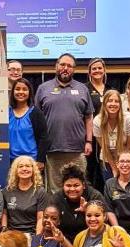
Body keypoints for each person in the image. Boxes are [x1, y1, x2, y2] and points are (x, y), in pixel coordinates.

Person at [35, 53, 94, 193]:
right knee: (55, 191)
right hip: (51, 150)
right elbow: (36, 119)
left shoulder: (82, 89)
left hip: (77, 150)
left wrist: (89, 141)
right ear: (56, 66)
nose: (65, 68)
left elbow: (89, 117)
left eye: (69, 66)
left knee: (77, 188)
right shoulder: (43, 88)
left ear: (73, 69)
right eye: (62, 65)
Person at [49, 163, 117, 243]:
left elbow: (104, 222)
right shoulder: (56, 199)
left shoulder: (94, 196)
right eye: (68, 186)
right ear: (63, 186)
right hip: (63, 241)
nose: (72, 189)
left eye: (76, 185)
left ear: (83, 185)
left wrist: (87, 211)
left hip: (91, 240)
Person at [93, 89, 130, 179]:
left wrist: (122, 166)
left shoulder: (129, 119)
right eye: (110, 101)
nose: (113, 104)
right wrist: (114, 168)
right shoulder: (97, 121)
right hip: (108, 159)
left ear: (120, 105)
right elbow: (104, 148)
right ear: (104, 103)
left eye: (116, 101)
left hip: (127, 158)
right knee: (112, 187)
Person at [1, 156, 48, 234]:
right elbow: (4, 214)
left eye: (28, 166)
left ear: (33, 170)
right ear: (15, 170)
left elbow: (41, 218)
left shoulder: (40, 192)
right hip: (12, 235)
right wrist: (4, 230)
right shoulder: (7, 191)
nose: (24, 169)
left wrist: (36, 239)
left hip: (32, 234)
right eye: (21, 166)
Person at [9, 78, 48, 168]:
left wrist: (40, 160)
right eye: (17, 89)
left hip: (31, 161)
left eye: (24, 89)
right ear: (13, 92)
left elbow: (44, 138)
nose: (21, 92)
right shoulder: (7, 112)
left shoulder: (35, 112)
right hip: (10, 161)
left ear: (29, 92)